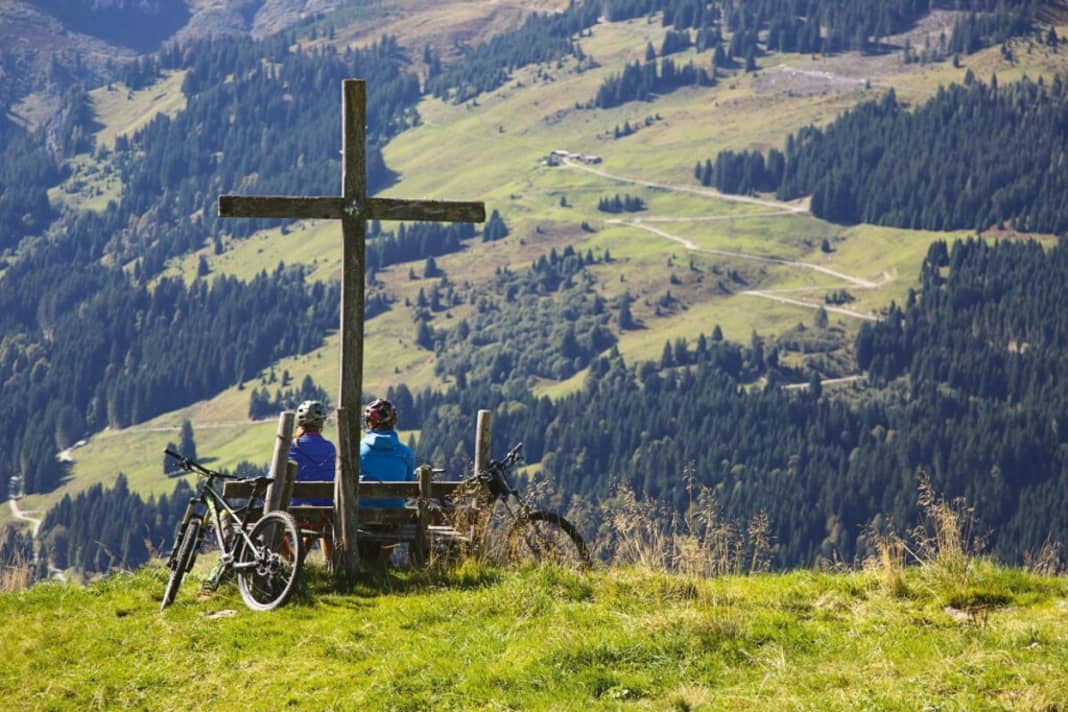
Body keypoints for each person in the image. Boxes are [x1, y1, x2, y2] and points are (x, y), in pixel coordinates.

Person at [358, 398, 415, 563]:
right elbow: (407, 488)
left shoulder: (358, 450)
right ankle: (381, 564)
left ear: (369, 422)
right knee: (397, 507)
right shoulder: (406, 453)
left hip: (360, 517)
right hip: (394, 517)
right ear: (393, 421)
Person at [289, 400, 336, 561]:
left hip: (294, 516)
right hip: (325, 515)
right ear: (321, 422)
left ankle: (291, 562)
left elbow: (271, 479)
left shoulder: (290, 447)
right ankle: (329, 562)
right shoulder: (331, 448)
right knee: (322, 517)